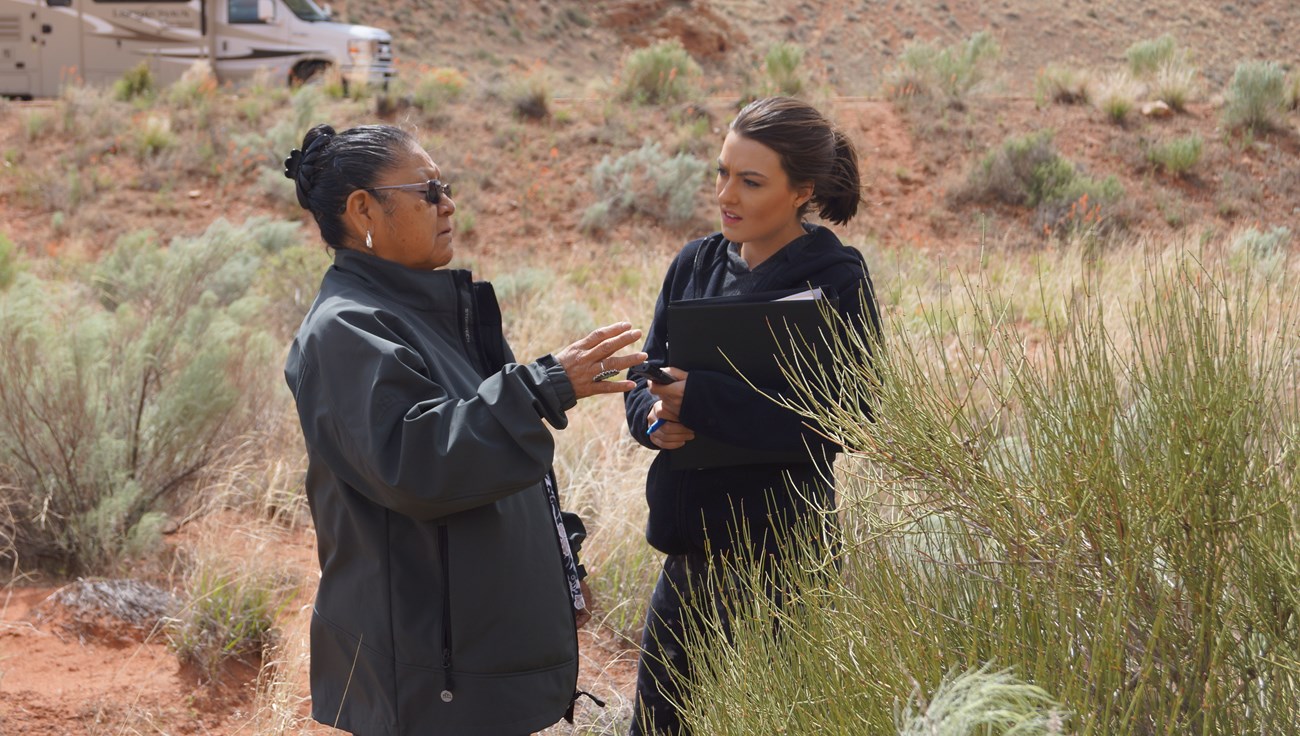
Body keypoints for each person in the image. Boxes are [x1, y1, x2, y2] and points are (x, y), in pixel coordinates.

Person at [282, 123, 646, 736]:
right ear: (362, 208)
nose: (447, 202)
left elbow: (491, 470)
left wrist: (561, 569)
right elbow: (417, 461)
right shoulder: (346, 328)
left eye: (445, 186)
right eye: (427, 190)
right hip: (429, 684)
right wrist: (540, 387)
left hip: (467, 668)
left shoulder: (431, 312)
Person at [623, 97, 882, 735]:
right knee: (659, 727)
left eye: (750, 181)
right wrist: (653, 418)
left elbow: (850, 417)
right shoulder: (694, 264)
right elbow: (645, 373)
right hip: (692, 556)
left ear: (803, 191)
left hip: (787, 559)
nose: (725, 194)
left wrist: (704, 401)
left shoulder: (837, 279)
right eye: (721, 173)